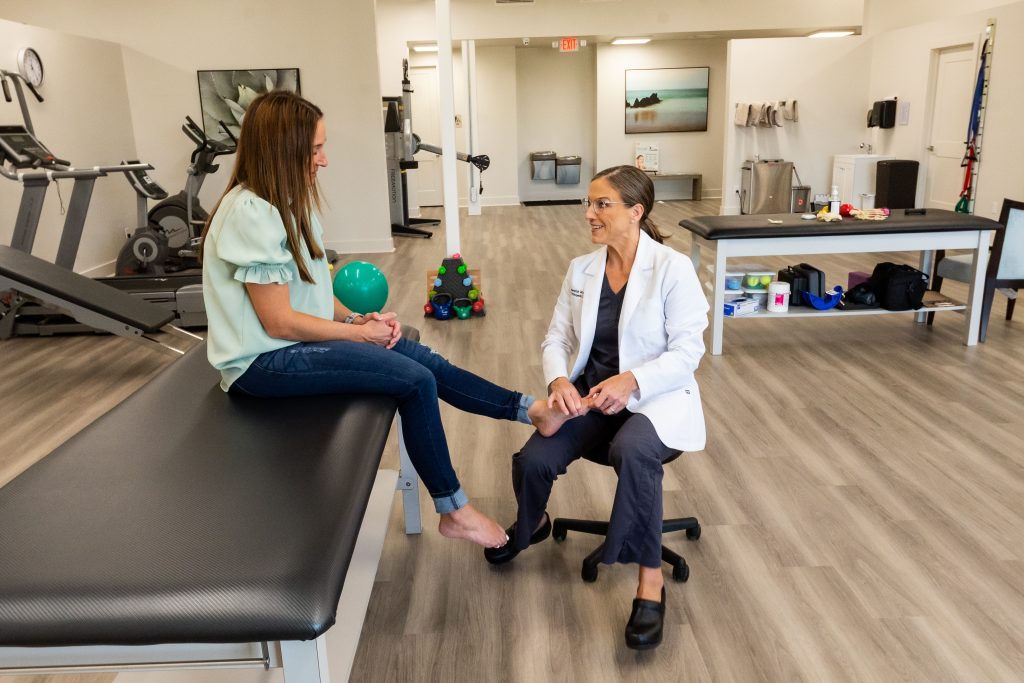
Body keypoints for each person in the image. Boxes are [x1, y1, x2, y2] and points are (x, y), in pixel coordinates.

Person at [199, 90, 572, 549]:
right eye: (315, 148)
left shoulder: (289, 204)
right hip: (261, 365)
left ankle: (530, 409)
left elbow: (312, 296)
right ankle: (455, 511)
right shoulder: (250, 212)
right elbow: (279, 323)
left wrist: (359, 318)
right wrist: (358, 335)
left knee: (422, 358)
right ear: (283, 148)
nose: (325, 160)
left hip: (291, 347)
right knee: (414, 381)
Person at [483, 165, 709, 650]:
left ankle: (651, 583)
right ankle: (534, 523)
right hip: (591, 397)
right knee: (534, 461)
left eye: (601, 204)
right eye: (589, 203)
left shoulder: (673, 269)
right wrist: (559, 378)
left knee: (634, 452)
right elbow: (557, 337)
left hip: (655, 400)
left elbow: (689, 353)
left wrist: (632, 381)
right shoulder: (582, 269)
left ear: (635, 211)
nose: (589, 213)